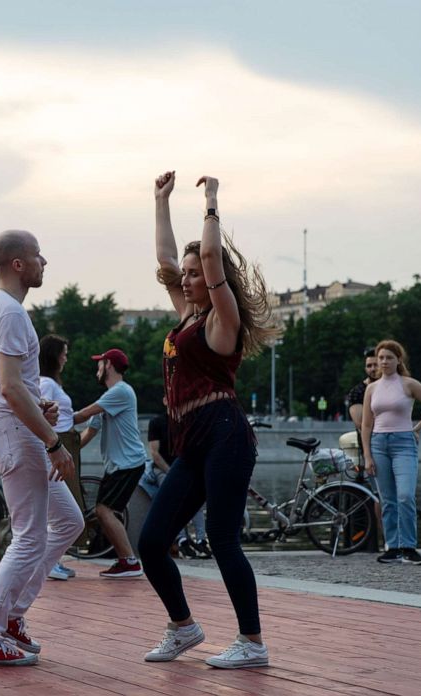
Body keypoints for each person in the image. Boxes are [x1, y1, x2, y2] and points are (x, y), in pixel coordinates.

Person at [138, 171, 275, 669]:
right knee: (152, 542)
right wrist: (160, 202)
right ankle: (184, 627)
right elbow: (165, 261)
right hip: (191, 444)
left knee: (222, 539)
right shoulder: (185, 316)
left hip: (225, 436)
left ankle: (252, 643)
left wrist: (212, 201)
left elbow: (213, 259)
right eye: (189, 275)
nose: (188, 278)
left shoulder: (222, 318)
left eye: (196, 273)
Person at [0, 229, 82, 667]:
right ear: (18, 264)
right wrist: (53, 442)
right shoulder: (11, 312)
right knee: (30, 535)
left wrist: (39, 404)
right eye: (37, 255)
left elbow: (15, 388)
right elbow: (9, 389)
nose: (44, 262)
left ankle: (11, 616)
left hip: (13, 427)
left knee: (67, 521)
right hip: (15, 432)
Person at [361, 340, 421, 566]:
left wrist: (416, 428)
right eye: (381, 358)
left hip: (404, 443)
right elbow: (367, 425)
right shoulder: (371, 388)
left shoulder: (409, 384)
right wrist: (367, 455)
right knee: (387, 500)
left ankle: (409, 547)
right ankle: (393, 547)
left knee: (405, 495)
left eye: (389, 358)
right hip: (378, 444)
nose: (384, 362)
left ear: (398, 360)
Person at [74, 348, 147, 578]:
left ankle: (130, 561)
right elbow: (89, 432)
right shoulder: (107, 399)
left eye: (100, 364)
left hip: (128, 463)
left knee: (104, 510)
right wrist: (63, 450)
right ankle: (125, 560)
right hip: (118, 465)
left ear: (109, 366)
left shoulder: (121, 391)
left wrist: (54, 415)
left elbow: (82, 415)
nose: (97, 368)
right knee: (104, 511)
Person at [38, 334, 87, 581]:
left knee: (63, 506)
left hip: (65, 442)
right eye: (64, 353)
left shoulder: (51, 382)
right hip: (57, 443)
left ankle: (55, 560)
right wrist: (53, 446)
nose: (66, 358)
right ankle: (50, 562)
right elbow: (42, 415)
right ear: (54, 356)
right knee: (59, 508)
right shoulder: (46, 384)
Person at [145, 398, 210, 560]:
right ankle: (181, 539)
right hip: (163, 469)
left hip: (186, 469)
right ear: (165, 401)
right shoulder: (157, 422)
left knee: (197, 500)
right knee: (173, 497)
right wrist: (171, 472)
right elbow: (154, 453)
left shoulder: (188, 422)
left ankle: (201, 539)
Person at [346, 348, 379, 473]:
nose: (372, 369)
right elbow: (361, 423)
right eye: (369, 366)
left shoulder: (393, 386)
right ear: (365, 369)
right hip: (371, 447)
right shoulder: (358, 391)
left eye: (375, 365)